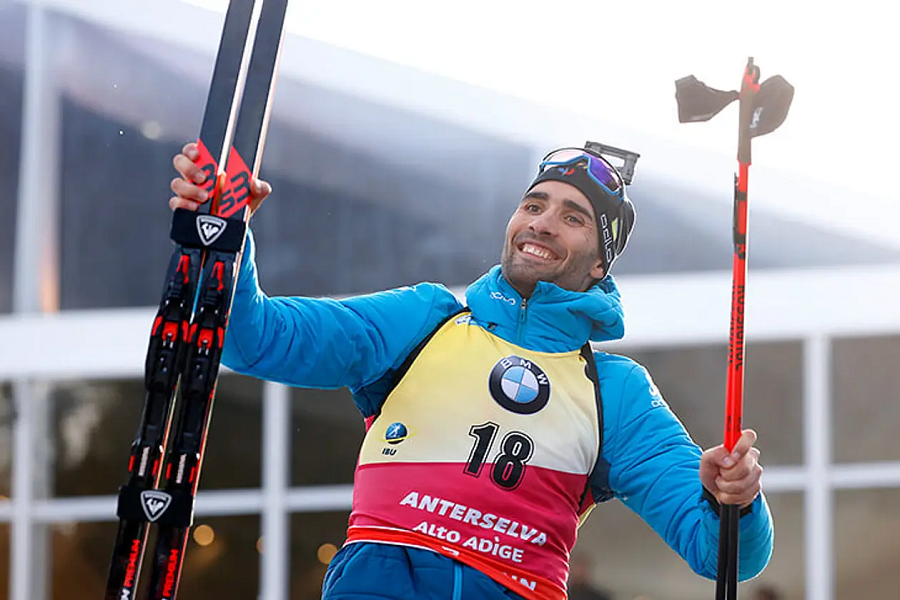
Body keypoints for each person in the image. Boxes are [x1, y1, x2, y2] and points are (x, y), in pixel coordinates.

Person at [169, 142, 773, 600]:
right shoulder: (425, 320)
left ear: (599, 264)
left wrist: (735, 498)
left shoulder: (615, 391)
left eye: (573, 217)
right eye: (533, 204)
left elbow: (723, 554)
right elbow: (255, 339)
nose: (541, 221)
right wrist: (224, 241)